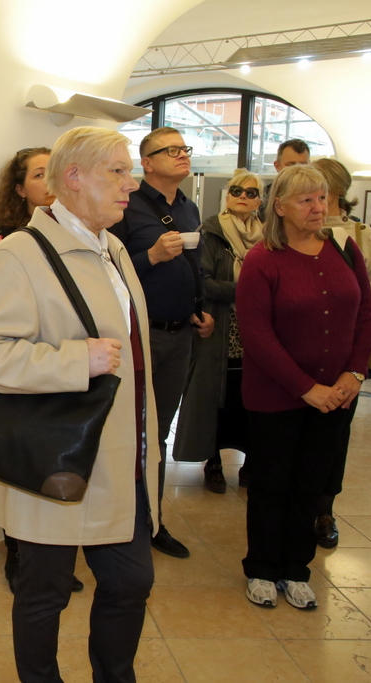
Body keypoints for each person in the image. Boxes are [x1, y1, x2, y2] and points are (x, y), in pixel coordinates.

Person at [0, 126, 160, 683]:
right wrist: (76, 360)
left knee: (130, 583)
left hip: (123, 455)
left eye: (129, 171)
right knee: (44, 591)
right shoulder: (21, 254)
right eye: (117, 172)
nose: (130, 184)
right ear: (73, 177)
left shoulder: (114, 248)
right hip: (58, 456)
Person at [237, 164, 371, 610]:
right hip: (277, 396)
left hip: (336, 395)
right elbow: (257, 335)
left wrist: (354, 374)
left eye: (322, 198)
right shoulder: (262, 259)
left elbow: (366, 315)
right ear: (280, 207)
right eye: (306, 200)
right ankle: (262, 567)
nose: (318, 208)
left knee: (311, 483)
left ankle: (296, 569)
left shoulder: (344, 248)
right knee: (272, 483)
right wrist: (305, 388)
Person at [109, 126, 214, 559]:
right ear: (147, 162)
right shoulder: (126, 205)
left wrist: (199, 307)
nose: (182, 155)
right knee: (130, 429)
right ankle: (120, 522)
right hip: (140, 333)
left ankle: (152, 520)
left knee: (159, 430)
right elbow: (109, 270)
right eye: (171, 150)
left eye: (185, 149)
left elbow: (196, 266)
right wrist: (151, 256)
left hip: (181, 333)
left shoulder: (189, 207)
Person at [0, 146, 85, 596]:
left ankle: (56, 559)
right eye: (39, 175)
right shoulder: (13, 243)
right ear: (20, 189)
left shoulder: (81, 236)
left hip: (68, 368)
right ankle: (19, 557)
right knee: (22, 469)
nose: (49, 184)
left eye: (54, 172)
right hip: (26, 370)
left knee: (60, 467)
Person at [310, 158, 371, 550]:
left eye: (319, 192)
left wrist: (348, 291)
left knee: (335, 436)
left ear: (337, 192)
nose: (313, 202)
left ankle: (324, 511)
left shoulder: (357, 235)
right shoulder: (286, 235)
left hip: (342, 355)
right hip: (300, 351)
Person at [173, 170, 265, 493]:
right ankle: (212, 462)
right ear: (226, 195)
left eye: (251, 193)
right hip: (218, 326)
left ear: (260, 200)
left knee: (250, 396)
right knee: (215, 397)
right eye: (237, 190)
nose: (243, 197)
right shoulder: (211, 231)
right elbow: (204, 281)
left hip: (255, 329)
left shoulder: (269, 236)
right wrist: (249, 290)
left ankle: (251, 462)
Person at [261, 139, 311, 222]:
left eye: (303, 164)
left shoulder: (318, 195)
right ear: (277, 166)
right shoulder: (264, 196)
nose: (298, 170)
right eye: (291, 165)